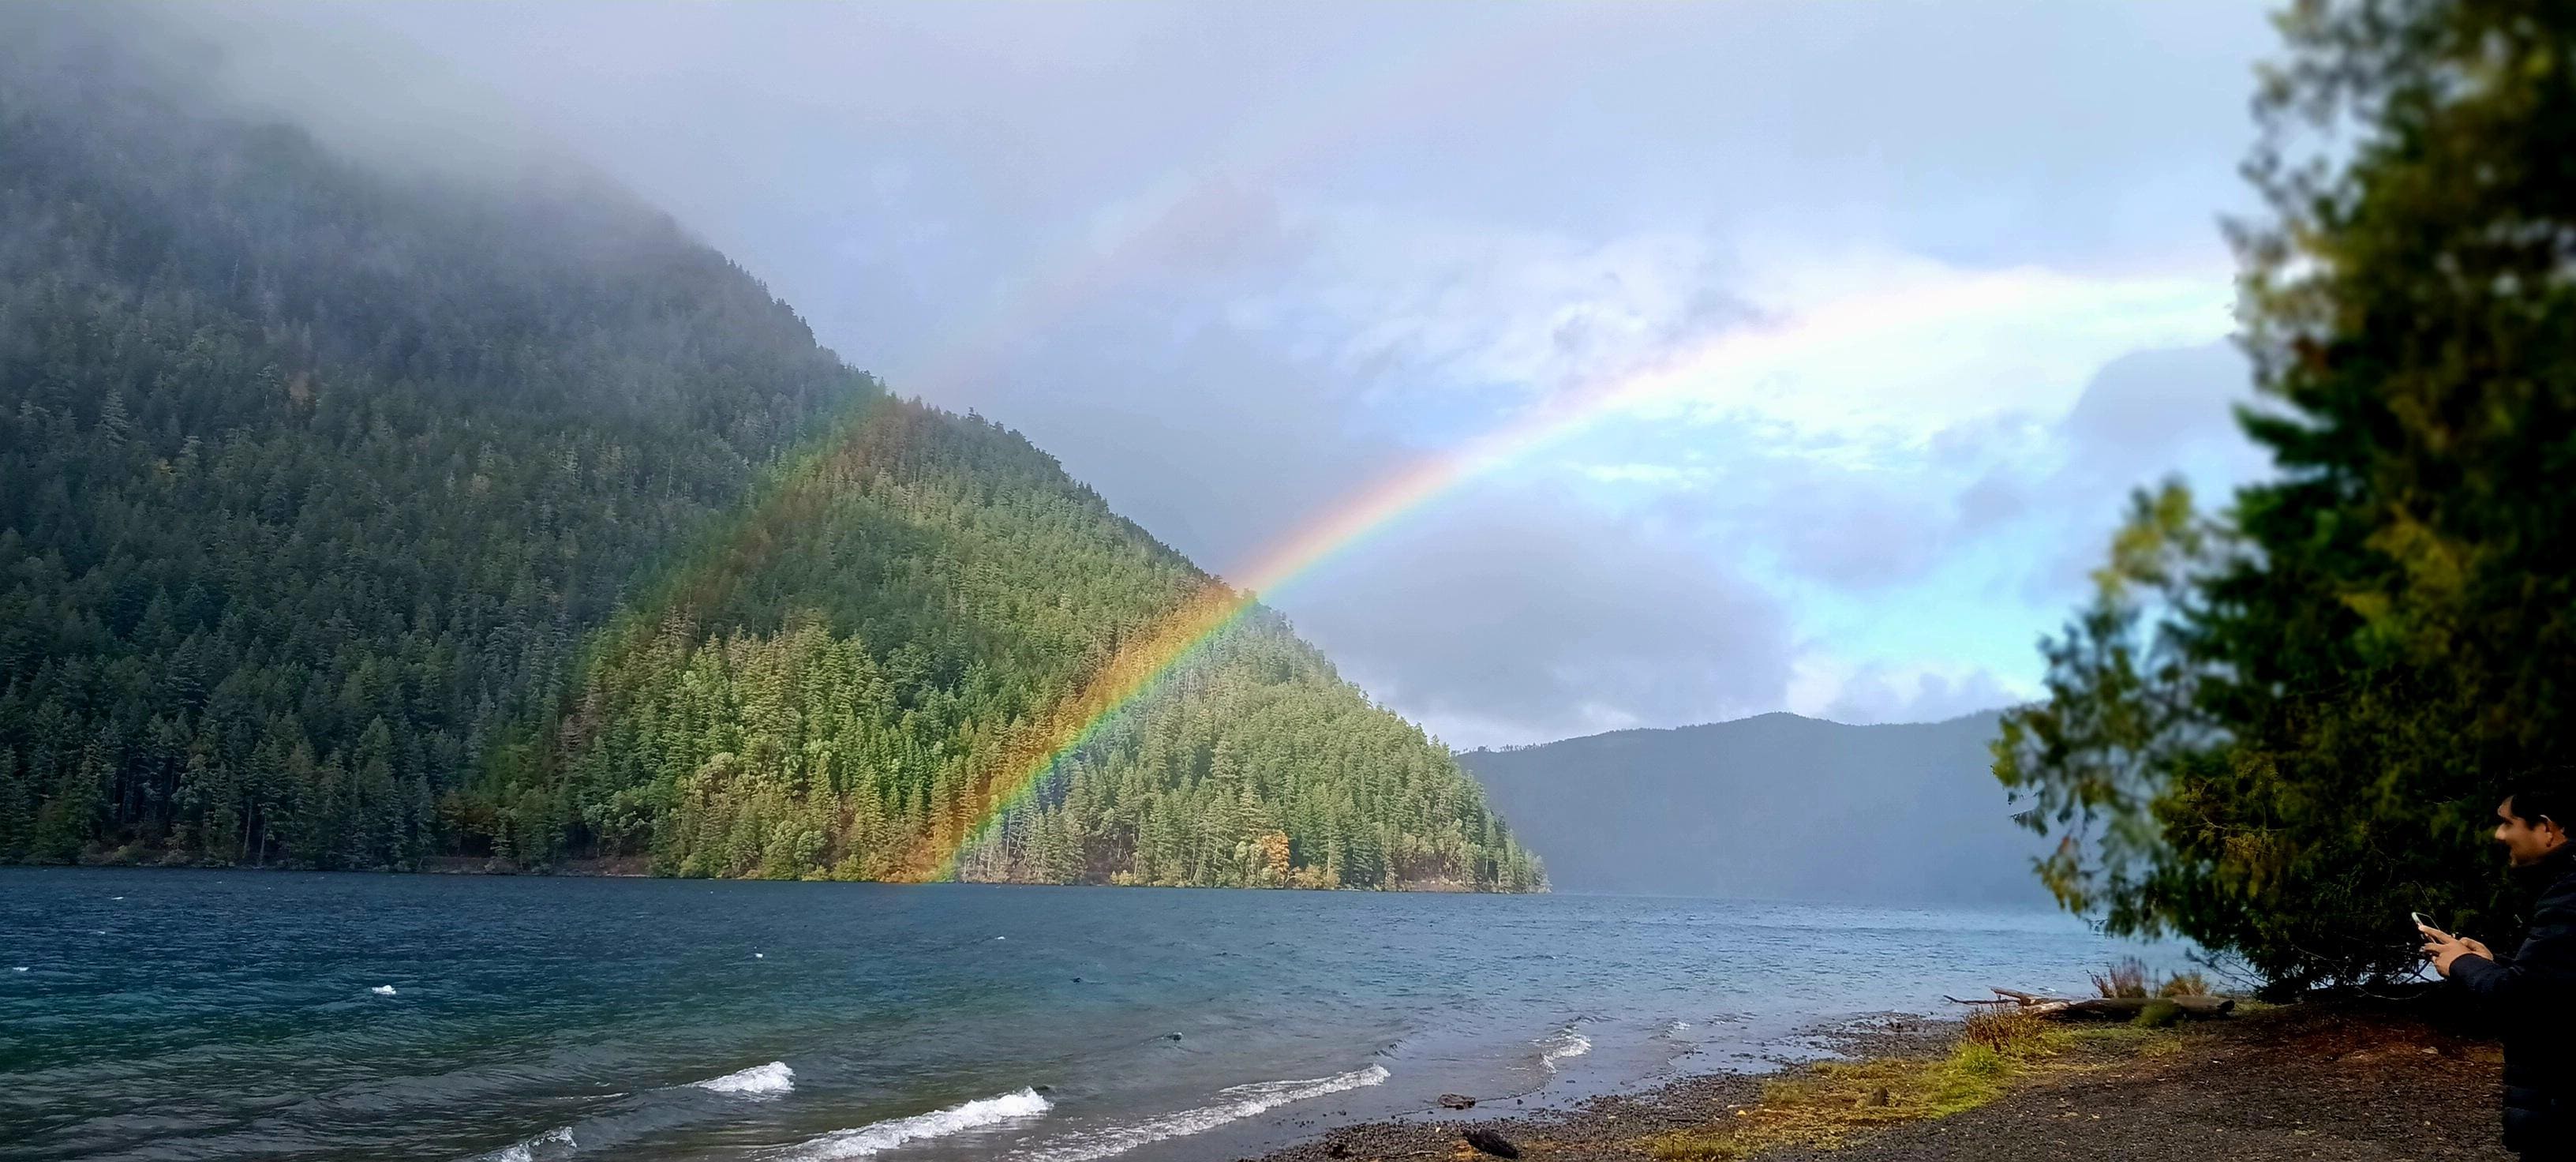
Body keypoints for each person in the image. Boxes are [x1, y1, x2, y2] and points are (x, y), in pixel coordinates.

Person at [2422, 784, 2576, 1160]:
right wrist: (2492, 964)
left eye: (2508, 823)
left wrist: (2461, 963)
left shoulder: (2568, 896)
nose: (2499, 834)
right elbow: (2557, 984)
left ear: (2547, 829)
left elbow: (2522, 999)